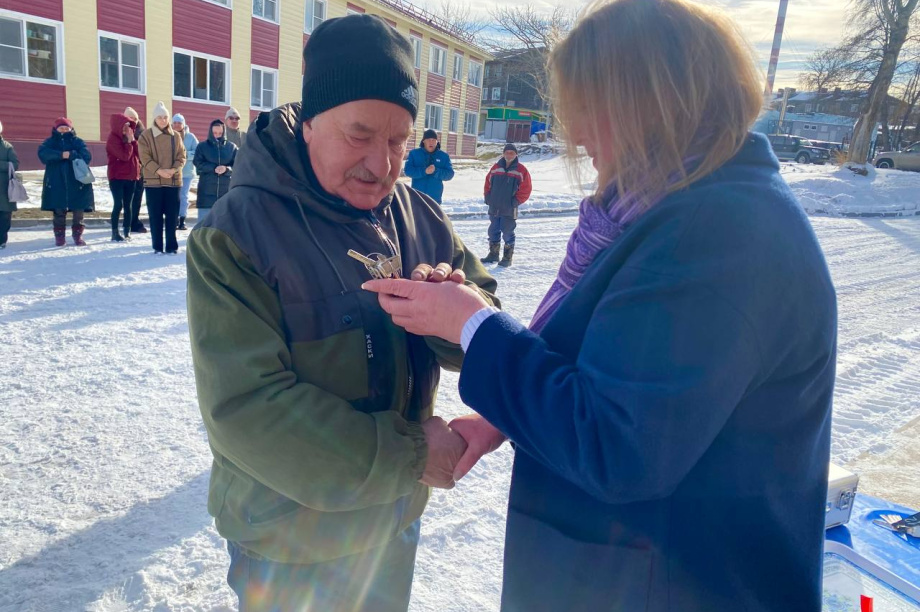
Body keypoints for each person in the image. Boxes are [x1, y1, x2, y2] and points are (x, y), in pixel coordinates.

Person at [363, 1, 837, 610]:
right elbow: (634, 386)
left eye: (589, 107)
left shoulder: (714, 236)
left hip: (672, 584)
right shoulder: (689, 210)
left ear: (653, 103)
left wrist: (470, 323)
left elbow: (618, 446)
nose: (578, 134)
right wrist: (508, 418)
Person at [186, 15, 498, 612]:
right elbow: (246, 408)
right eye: (359, 135)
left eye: (398, 139)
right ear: (308, 125)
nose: (381, 164)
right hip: (290, 543)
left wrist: (456, 317)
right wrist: (410, 454)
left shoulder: (419, 216)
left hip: (390, 520)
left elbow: (486, 328)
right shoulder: (236, 235)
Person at [138, 102, 186, 255]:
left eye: (166, 117)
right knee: (155, 215)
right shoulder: (146, 135)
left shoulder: (176, 136)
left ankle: (172, 246)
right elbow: (144, 158)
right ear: (154, 118)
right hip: (154, 182)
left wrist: (173, 170)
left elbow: (182, 156)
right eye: (160, 117)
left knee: (172, 216)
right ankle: (157, 246)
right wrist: (159, 171)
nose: (163, 120)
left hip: (172, 181)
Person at [38, 118, 94, 247]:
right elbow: (43, 154)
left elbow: (86, 156)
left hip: (77, 181)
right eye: (61, 128)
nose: (64, 130)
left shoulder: (77, 142)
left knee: (78, 211)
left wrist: (72, 154)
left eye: (66, 128)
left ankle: (78, 236)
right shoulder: (50, 142)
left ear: (71, 129)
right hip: (57, 181)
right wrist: (61, 155)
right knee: (58, 210)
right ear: (56, 129)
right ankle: (59, 237)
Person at [481, 143, 532, 267]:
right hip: (494, 206)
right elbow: (487, 183)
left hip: (509, 208)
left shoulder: (521, 170)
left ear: (516, 154)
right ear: (503, 154)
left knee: (507, 231)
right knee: (493, 230)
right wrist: (488, 197)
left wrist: (515, 202)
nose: (509, 155)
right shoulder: (496, 167)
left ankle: (507, 257)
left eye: (512, 153)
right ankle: (493, 254)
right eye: (507, 152)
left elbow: (526, 189)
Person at [192, 119, 237, 222]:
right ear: (210, 132)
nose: (217, 135)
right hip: (206, 193)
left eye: (220, 133)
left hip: (225, 193)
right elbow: (197, 163)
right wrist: (213, 168)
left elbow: (238, 166)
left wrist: (226, 169)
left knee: (224, 228)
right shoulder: (202, 147)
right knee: (203, 226)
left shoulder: (232, 147)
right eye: (215, 133)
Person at [106, 112, 140, 242]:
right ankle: (115, 232)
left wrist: (133, 142)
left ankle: (127, 231)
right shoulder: (112, 140)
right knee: (118, 204)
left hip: (131, 177)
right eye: (124, 126)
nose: (127, 129)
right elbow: (124, 156)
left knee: (128, 205)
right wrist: (129, 143)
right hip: (117, 177)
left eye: (129, 126)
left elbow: (139, 155)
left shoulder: (131, 138)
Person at [403, 128, 454, 204]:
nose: (431, 142)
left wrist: (436, 171)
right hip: (417, 198)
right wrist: (424, 171)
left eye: (434, 140)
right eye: (428, 140)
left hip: (435, 200)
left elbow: (450, 174)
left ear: (437, 142)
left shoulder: (444, 156)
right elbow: (408, 171)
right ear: (423, 141)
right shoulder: (414, 154)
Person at [172, 114, 198, 230]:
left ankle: (182, 219)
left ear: (183, 124)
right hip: (172, 172)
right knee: (173, 197)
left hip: (186, 173)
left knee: (183, 196)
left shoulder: (190, 137)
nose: (177, 125)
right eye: (175, 123)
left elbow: (197, 152)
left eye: (179, 123)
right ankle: (173, 219)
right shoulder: (168, 136)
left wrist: (185, 155)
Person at [124, 107, 148, 234]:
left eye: (134, 118)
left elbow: (143, 153)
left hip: (140, 171)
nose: (132, 120)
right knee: (127, 198)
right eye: (129, 118)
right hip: (125, 171)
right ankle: (127, 221)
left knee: (137, 197)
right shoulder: (121, 132)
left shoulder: (143, 134)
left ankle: (134, 221)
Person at [0, 120, 20, 249]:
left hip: (4, 187)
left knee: (4, 215)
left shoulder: (7, 147)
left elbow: (15, 164)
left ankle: (2, 240)